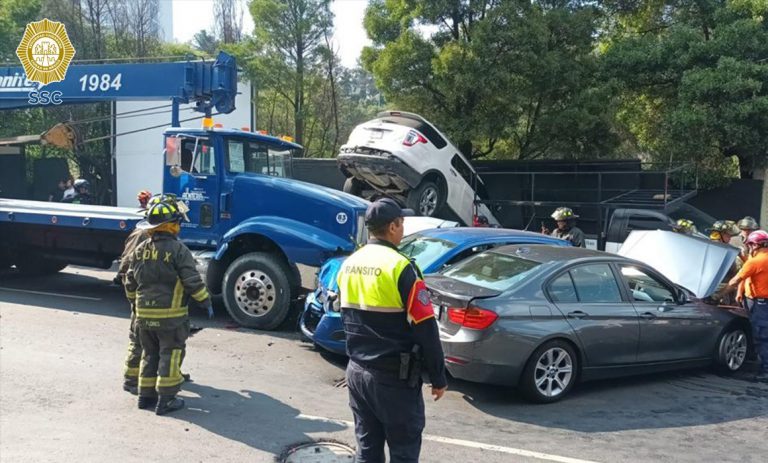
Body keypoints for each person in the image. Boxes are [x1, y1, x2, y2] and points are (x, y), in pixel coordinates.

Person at [337, 198, 447, 462]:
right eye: (402, 223)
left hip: (357, 372)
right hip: (393, 380)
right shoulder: (401, 267)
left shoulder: (349, 264)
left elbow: (346, 318)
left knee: (367, 451)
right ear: (394, 226)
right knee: (404, 452)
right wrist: (438, 377)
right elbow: (426, 329)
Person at [124, 199, 213, 415]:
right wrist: (205, 301)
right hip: (171, 318)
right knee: (171, 354)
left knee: (149, 354)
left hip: (143, 317)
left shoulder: (141, 249)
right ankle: (166, 399)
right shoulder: (178, 250)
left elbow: (129, 282)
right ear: (172, 224)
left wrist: (136, 305)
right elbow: (192, 281)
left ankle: (145, 397)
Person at [728, 230, 768, 382]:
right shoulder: (756, 258)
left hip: (761, 303)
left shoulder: (756, 261)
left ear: (754, 245)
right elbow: (748, 277)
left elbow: (735, 280)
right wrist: (740, 292)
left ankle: (766, 370)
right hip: (754, 300)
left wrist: (717, 295)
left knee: (762, 336)